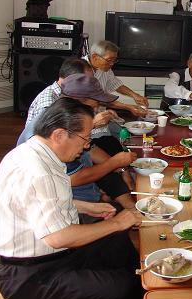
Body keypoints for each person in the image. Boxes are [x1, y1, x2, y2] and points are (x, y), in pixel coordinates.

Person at [0, 98, 145, 299]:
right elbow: (58, 237)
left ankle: (141, 282)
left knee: (118, 243)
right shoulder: (38, 171)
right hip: (30, 274)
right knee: (122, 288)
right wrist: (117, 222)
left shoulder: (37, 153)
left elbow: (38, 203)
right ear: (59, 135)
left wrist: (85, 206)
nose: (87, 146)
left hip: (51, 254)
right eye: (85, 139)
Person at [18, 74, 136, 211]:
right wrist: (114, 163)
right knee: (106, 167)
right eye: (93, 107)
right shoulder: (58, 130)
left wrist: (121, 168)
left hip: (79, 196)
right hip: (65, 203)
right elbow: (73, 178)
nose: (96, 111)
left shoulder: (65, 117)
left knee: (106, 161)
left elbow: (91, 149)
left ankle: (131, 208)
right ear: (77, 102)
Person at [25, 58, 116, 129]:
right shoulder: (48, 102)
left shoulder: (69, 96)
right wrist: (92, 124)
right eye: (86, 79)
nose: (91, 81)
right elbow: (53, 135)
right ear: (72, 78)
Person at [84, 40, 147, 116]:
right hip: (83, 117)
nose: (112, 64)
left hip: (99, 113)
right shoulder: (80, 69)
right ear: (95, 57)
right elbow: (97, 99)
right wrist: (128, 107)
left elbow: (115, 84)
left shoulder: (104, 67)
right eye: (109, 60)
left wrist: (135, 95)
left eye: (114, 60)